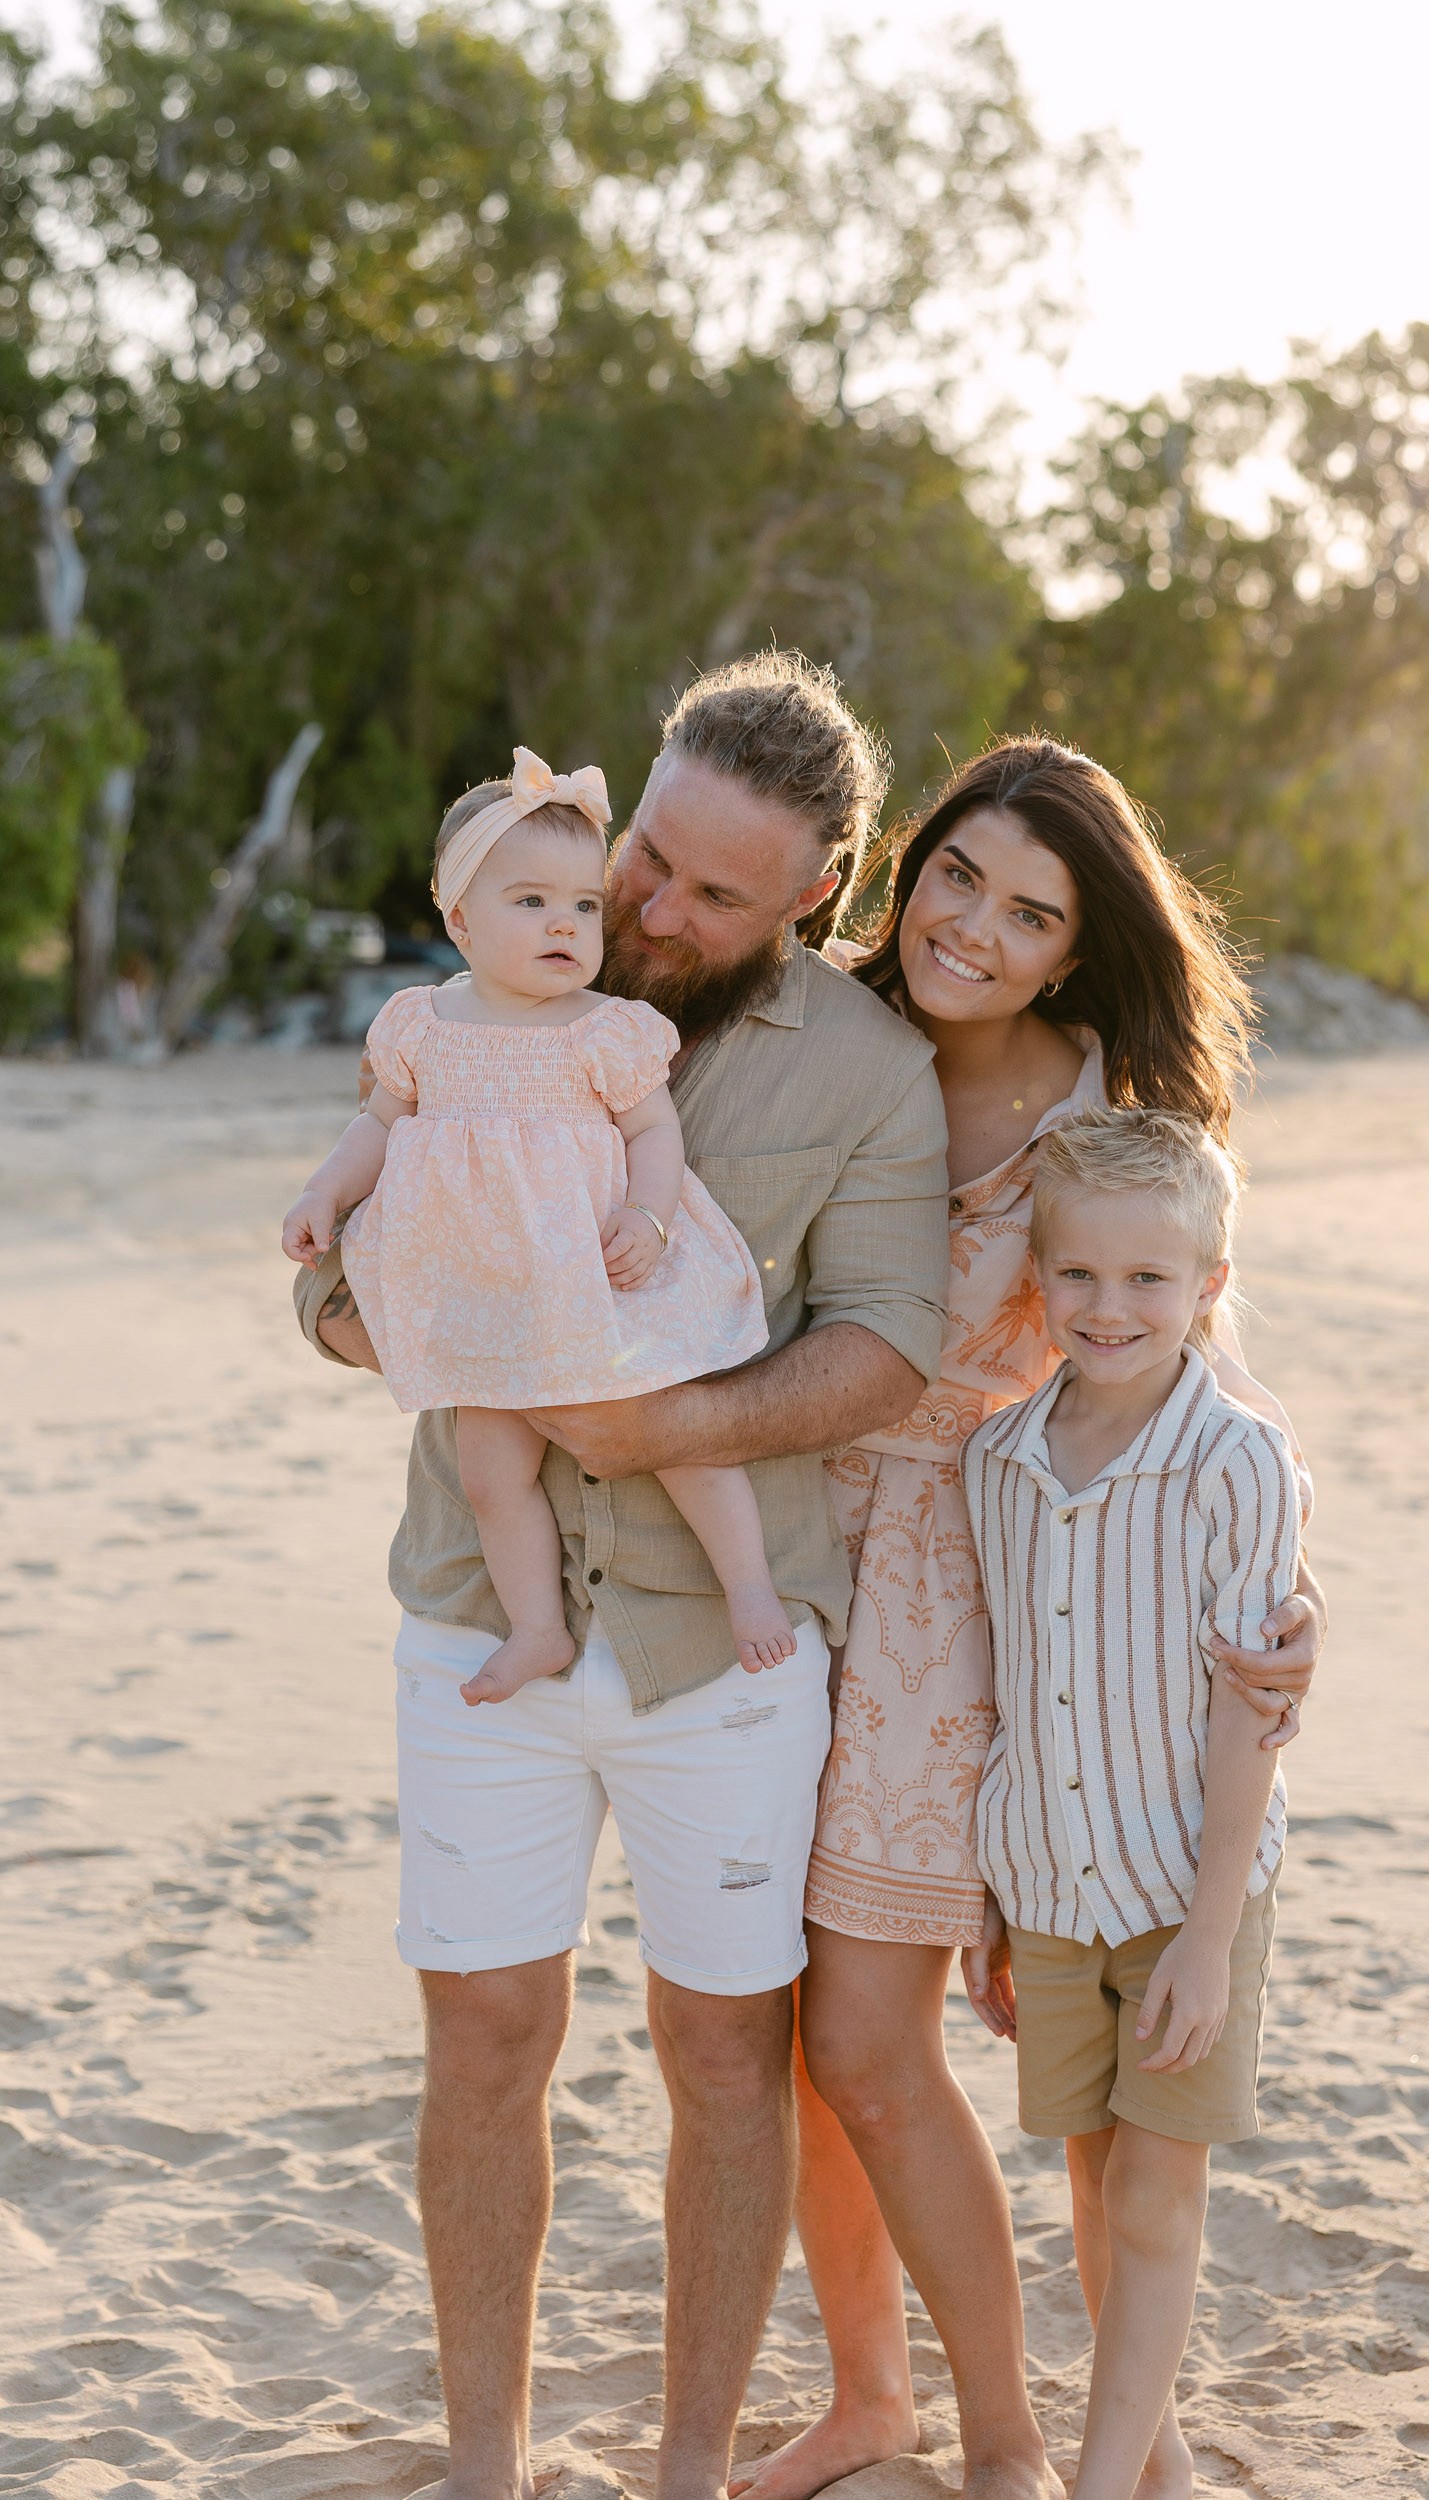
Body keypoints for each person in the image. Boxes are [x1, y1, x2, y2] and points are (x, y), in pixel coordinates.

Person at [290, 652, 952, 2500]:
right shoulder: (468, 998)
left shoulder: (876, 1073)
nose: (645, 909)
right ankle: (489, 2467)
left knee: (722, 2051)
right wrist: (441, 1334)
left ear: (809, 896)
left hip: (721, 1648)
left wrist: (656, 1425)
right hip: (473, 1607)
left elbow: (890, 1343)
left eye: (710, 892)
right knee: (486, 2028)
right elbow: (330, 1278)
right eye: (645, 853)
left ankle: (681, 2468)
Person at [736, 740, 1323, 2500]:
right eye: (956, 876)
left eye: (1030, 911)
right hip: (762, 1548)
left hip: (966, 1596)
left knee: (870, 2034)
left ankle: (1013, 2442)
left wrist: (1289, 1610)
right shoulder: (819, 1032)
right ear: (905, 868)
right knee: (784, 2039)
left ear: (1077, 949)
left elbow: (1195, 1380)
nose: (973, 927)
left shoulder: (1105, 1118)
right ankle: (869, 2398)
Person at [281, 748, 794, 1699]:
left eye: (584, 905)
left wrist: (648, 1215)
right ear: (460, 919)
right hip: (483, 1285)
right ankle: (535, 1629)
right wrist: (325, 1194)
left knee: (678, 1435)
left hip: (594, 1276)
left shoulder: (603, 1027)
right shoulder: (422, 1024)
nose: (565, 923)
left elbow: (653, 1134)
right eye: (530, 903)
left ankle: (751, 1589)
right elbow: (376, 1126)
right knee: (490, 1473)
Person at [961, 1106, 1302, 2500]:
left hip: (1182, 1891)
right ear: (1038, 1278)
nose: (1109, 1309)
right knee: (1094, 2185)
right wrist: (987, 1896)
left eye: (1149, 1280)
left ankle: (1097, 2485)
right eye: (1081, 1276)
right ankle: (1155, 2468)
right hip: (1045, 1886)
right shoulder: (994, 1462)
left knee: (1158, 2197)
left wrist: (1209, 1936)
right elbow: (1004, 1685)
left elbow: (1248, 1713)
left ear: (1206, 1288)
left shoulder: (1235, 1463)